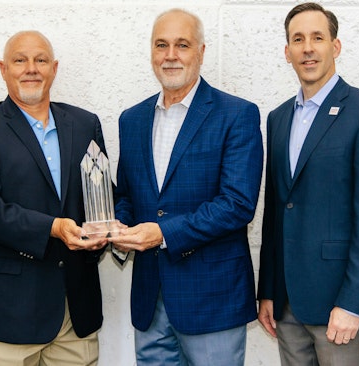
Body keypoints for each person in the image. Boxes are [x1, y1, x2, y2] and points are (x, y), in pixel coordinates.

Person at [109, 8, 263, 366]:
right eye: (161, 45)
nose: (171, 55)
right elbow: (127, 195)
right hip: (149, 298)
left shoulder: (237, 114)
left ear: (201, 52)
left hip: (213, 299)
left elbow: (238, 204)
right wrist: (117, 224)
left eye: (182, 44)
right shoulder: (131, 119)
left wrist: (162, 232)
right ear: (151, 52)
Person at [257, 3, 359, 365]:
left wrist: (353, 303)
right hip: (288, 306)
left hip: (342, 306)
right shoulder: (278, 119)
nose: (308, 48)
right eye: (298, 39)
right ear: (286, 52)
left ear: (335, 46)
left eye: (317, 38)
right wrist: (269, 291)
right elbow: (276, 210)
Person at [0, 30, 108, 365]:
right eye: (20, 60)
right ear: (3, 68)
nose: (31, 68)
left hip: (75, 311)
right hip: (13, 312)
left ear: (54, 68)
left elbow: (101, 197)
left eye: (40, 60)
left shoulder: (85, 124)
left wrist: (103, 235)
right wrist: (53, 227)